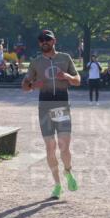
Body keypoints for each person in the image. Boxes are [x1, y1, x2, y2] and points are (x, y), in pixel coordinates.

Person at [22, 30, 80, 200]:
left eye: (47, 39)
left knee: (64, 147)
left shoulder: (65, 58)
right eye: (41, 40)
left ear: (54, 40)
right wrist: (32, 85)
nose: (44, 42)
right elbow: (24, 86)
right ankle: (57, 185)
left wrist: (67, 76)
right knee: (50, 147)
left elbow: (78, 80)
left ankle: (68, 171)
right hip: (44, 108)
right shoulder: (36, 62)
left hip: (62, 105)